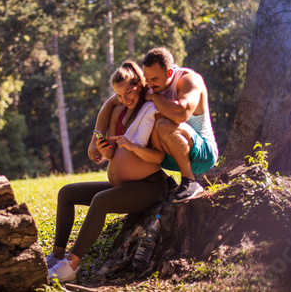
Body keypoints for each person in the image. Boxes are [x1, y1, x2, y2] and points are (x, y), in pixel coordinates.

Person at [47, 61, 167, 282]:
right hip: (121, 185)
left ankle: (70, 266)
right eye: (120, 96)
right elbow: (113, 154)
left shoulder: (151, 112)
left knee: (100, 201)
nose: (125, 99)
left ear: (139, 86)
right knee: (66, 193)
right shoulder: (119, 112)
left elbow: (158, 157)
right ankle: (56, 256)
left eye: (129, 92)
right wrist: (105, 149)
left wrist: (133, 147)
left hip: (149, 185)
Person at [88, 47, 218, 203]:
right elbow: (110, 104)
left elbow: (181, 114)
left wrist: (155, 98)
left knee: (162, 122)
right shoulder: (152, 82)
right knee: (145, 118)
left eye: (154, 80)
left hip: (202, 155)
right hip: (172, 154)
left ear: (169, 73)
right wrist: (94, 141)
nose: (148, 84)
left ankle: (189, 181)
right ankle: (165, 182)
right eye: (146, 78)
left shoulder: (188, 80)